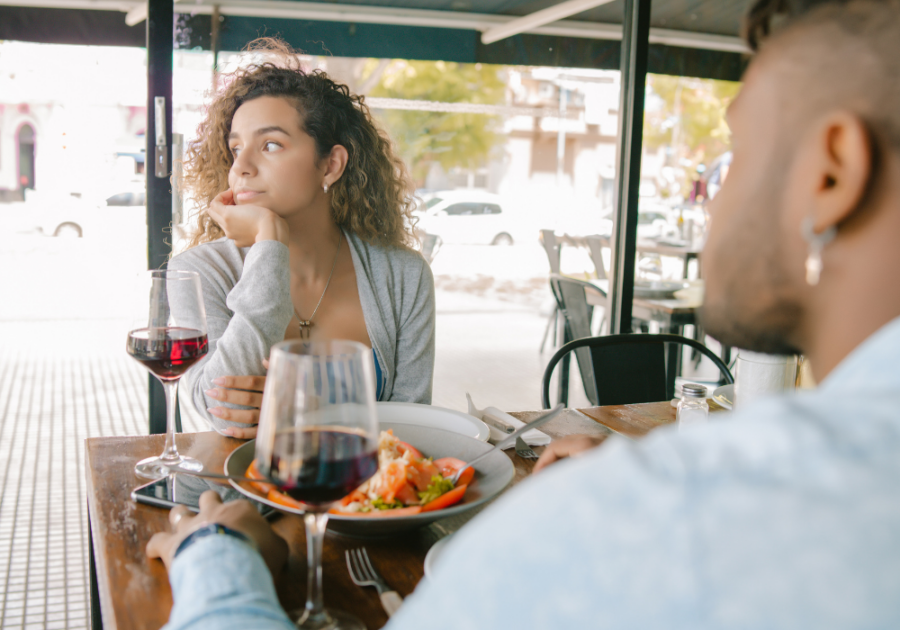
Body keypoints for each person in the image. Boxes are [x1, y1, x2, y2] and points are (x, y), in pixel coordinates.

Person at [149, 1, 900, 627]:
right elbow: (207, 403)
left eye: (734, 154)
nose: (708, 200)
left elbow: (408, 435)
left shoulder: (677, 506)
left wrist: (215, 556)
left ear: (833, 170)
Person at [168, 38, 435, 439]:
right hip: (244, 495)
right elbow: (222, 412)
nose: (240, 166)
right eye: (235, 147)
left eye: (270, 144)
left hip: (369, 496)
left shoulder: (403, 275)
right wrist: (269, 242)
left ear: (330, 165)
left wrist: (297, 408)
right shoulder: (197, 271)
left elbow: (413, 427)